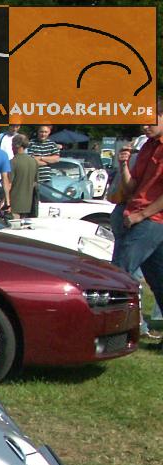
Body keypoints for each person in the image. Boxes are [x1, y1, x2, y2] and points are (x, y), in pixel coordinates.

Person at [110, 100, 163, 340]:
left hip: (151, 219)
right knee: (158, 279)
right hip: (142, 216)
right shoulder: (149, 147)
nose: (144, 127)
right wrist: (123, 165)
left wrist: (141, 215)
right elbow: (133, 188)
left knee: (118, 275)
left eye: (150, 121)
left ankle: (113, 332)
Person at [8, 134, 38, 218]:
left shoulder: (12, 162)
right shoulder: (34, 162)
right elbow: (35, 183)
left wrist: (5, 201)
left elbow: (8, 184)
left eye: (12, 144)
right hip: (28, 204)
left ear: (17, 145)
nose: (12, 147)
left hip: (14, 203)